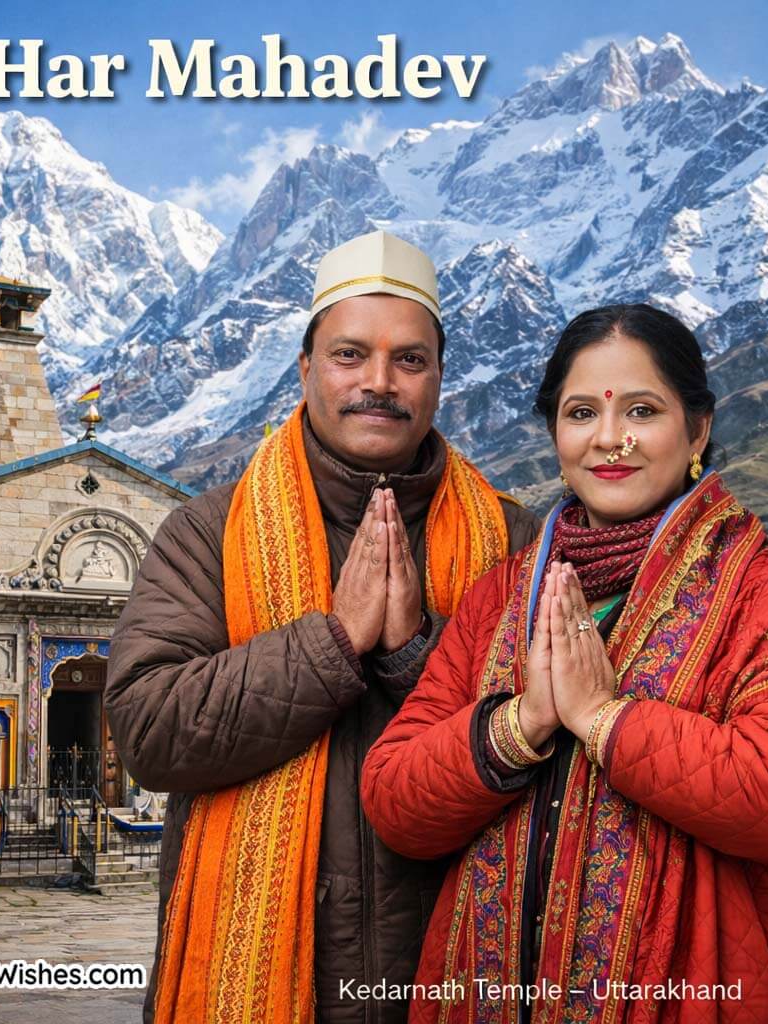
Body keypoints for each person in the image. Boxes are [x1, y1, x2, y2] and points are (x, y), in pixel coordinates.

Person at [104, 229, 540, 1023]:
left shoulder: (513, 541)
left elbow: (546, 738)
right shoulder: (209, 532)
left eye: (409, 359)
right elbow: (148, 730)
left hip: (448, 965)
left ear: (440, 379)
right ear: (305, 369)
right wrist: (332, 643)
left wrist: (415, 655)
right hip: (270, 972)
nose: (379, 382)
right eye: (349, 355)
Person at [361, 303, 768, 1023]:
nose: (610, 440)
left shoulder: (752, 589)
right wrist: (523, 722)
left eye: (642, 410)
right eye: (581, 413)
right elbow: (395, 800)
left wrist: (603, 719)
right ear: (555, 431)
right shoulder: (502, 595)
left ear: (699, 428)